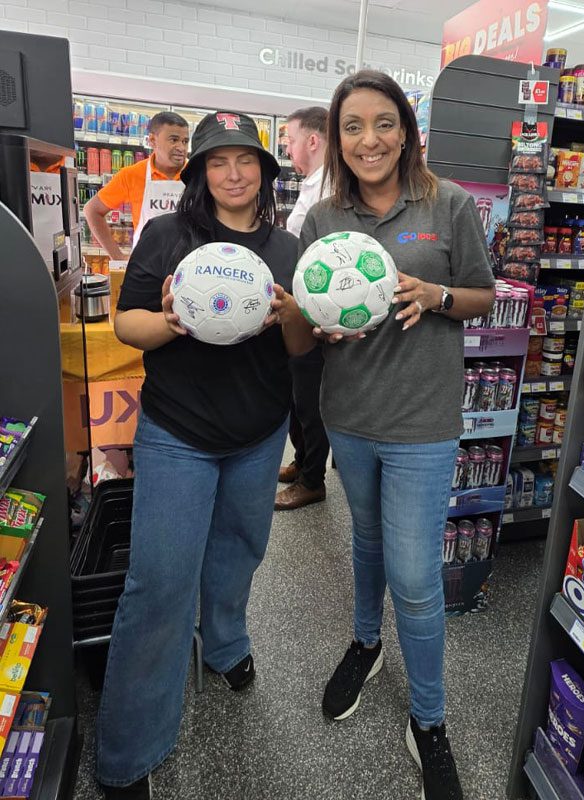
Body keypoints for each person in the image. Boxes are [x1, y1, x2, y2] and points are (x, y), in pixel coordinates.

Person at [95, 111, 314, 800]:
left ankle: (224, 646)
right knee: (159, 583)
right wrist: (168, 319)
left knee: (239, 551)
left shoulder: (286, 248)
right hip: (178, 433)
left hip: (257, 434)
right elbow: (126, 325)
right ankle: (128, 751)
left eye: (246, 160)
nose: (234, 172)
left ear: (265, 173)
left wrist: (292, 317)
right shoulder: (169, 234)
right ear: (197, 173)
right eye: (218, 161)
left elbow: (301, 350)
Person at [300, 71, 495, 800]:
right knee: (367, 541)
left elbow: (481, 293)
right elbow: (303, 319)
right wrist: (310, 320)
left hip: (421, 422)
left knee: (414, 576)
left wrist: (436, 295)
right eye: (353, 127)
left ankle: (429, 718)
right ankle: (364, 642)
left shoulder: (448, 206)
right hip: (349, 414)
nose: (369, 139)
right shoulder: (322, 219)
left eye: (384, 123)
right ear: (338, 140)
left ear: (407, 131)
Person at [275, 106, 331, 511]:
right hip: (298, 306)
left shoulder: (330, 190)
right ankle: (301, 460)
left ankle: (314, 479)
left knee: (309, 397)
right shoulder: (313, 184)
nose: (288, 148)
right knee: (297, 393)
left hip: (316, 311)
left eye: (290, 140)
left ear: (312, 140)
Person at [83, 111, 190, 260]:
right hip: (145, 266)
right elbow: (92, 210)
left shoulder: (198, 174)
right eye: (174, 140)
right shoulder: (131, 175)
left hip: (186, 265)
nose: (181, 148)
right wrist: (117, 256)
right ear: (152, 140)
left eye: (185, 141)